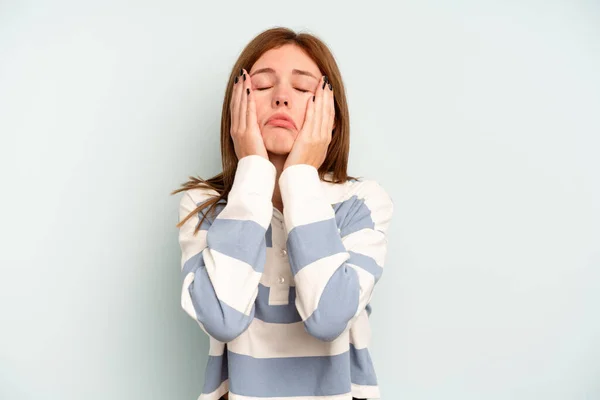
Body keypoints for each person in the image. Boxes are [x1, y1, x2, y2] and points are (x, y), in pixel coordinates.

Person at [172, 26, 394, 400]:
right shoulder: (201, 205)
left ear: (332, 116)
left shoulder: (363, 202)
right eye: (260, 86)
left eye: (304, 89)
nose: (280, 98)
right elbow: (223, 319)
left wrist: (300, 177)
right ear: (234, 108)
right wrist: (254, 173)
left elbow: (329, 317)